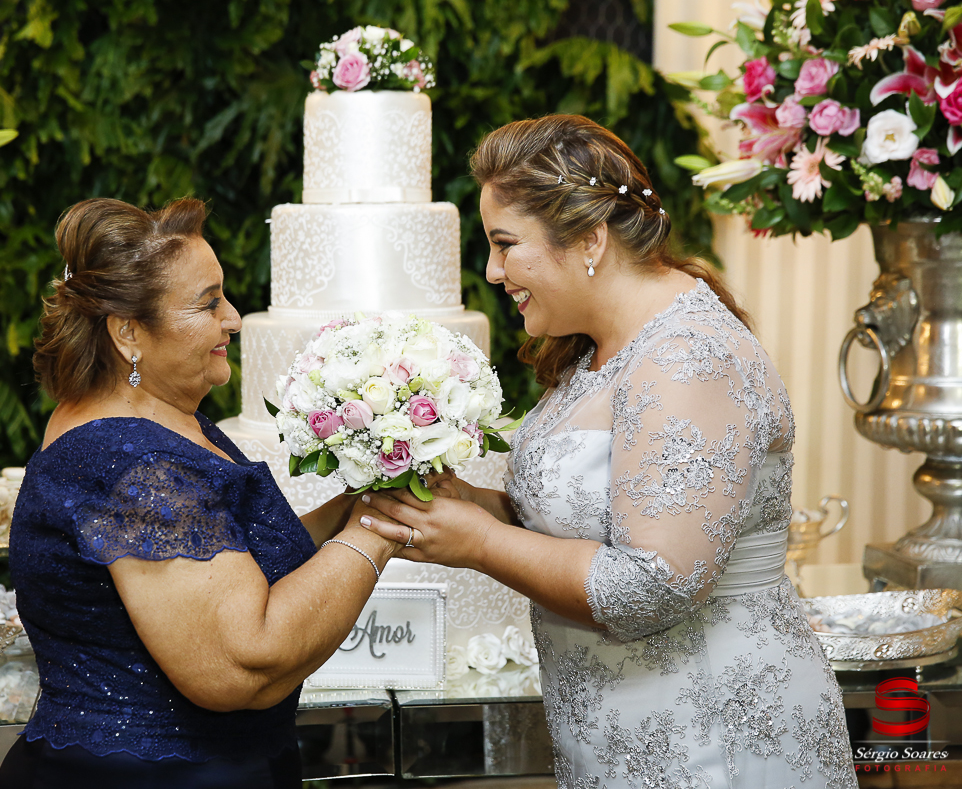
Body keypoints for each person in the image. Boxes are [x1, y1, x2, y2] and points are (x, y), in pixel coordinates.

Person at [359, 116, 858, 789]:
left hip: (713, 738)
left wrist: (479, 542)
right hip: (621, 733)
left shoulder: (688, 356)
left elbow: (653, 584)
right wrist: (471, 504)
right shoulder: (593, 349)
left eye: (505, 245)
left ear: (590, 239)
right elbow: (585, 519)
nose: (493, 271)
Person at [0, 197, 401, 789]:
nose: (232, 319)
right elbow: (241, 664)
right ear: (128, 332)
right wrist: (377, 531)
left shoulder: (158, 420)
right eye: (209, 303)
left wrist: (359, 504)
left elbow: (238, 561)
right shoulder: (132, 461)